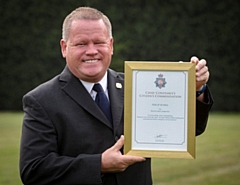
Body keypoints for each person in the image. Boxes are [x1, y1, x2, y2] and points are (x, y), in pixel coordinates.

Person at [20, 7, 213, 185]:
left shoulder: (138, 86)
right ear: (64, 47)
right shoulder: (41, 100)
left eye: (99, 42)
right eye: (81, 43)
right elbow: (33, 169)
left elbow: (188, 130)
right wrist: (99, 164)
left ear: (110, 45)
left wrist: (196, 89)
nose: (91, 51)